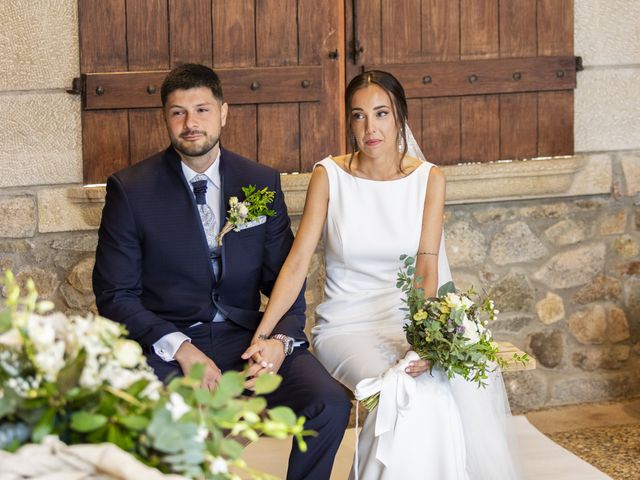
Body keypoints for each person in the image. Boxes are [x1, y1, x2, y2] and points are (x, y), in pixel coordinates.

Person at [242, 70, 522, 479]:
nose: (369, 127)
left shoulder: (429, 179)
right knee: (397, 392)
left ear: (399, 117)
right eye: (358, 116)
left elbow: (427, 265)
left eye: (380, 113)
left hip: (407, 323)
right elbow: (298, 262)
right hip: (345, 327)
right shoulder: (329, 176)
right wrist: (264, 334)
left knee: (432, 396)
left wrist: (426, 343)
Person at [92, 63, 351, 480]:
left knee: (329, 402)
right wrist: (181, 349)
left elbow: (285, 277)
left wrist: (279, 340)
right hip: (170, 344)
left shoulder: (260, 182)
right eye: (178, 112)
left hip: (248, 337)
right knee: (159, 428)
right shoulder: (131, 189)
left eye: (202, 110)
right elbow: (115, 295)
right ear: (165, 118)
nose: (190, 123)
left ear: (224, 113)